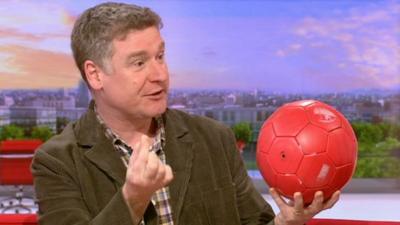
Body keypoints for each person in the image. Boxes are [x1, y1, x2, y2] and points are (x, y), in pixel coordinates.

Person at [31, 2, 340, 225]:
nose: (159, 74)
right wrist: (133, 200)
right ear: (95, 75)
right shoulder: (57, 161)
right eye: (139, 62)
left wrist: (286, 223)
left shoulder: (213, 138)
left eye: (160, 56)